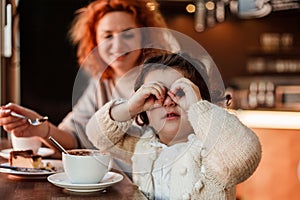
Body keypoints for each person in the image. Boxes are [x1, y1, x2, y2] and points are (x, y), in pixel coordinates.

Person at [0, 0, 175, 158]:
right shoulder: (101, 82)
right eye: (108, 36)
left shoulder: (162, 79)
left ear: (144, 37)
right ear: (95, 42)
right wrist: (40, 128)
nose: (118, 45)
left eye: (128, 34)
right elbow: (74, 138)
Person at [86, 52, 262, 199]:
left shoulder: (211, 149)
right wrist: (129, 107)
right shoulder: (142, 144)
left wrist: (198, 107)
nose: (169, 102)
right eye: (155, 95)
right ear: (144, 109)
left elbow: (243, 157)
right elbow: (97, 135)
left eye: (180, 93)